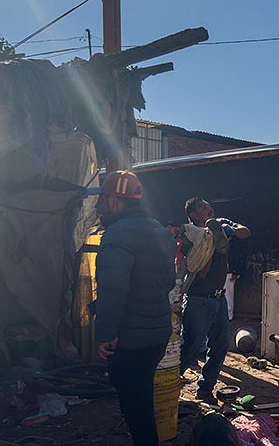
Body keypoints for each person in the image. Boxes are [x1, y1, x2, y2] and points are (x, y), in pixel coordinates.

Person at [94, 171, 176, 446]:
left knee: (135, 406)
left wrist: (105, 333)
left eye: (104, 198)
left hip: (131, 339)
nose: (101, 204)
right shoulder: (160, 231)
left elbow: (112, 290)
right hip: (158, 333)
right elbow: (168, 281)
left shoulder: (117, 235)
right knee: (142, 397)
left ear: (115, 200)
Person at [179, 197, 251, 404]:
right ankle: (167, 382)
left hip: (219, 298)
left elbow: (246, 232)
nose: (209, 208)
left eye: (209, 205)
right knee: (191, 347)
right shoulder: (190, 235)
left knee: (220, 346)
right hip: (198, 299)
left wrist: (229, 230)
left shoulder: (221, 223)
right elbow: (201, 271)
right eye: (203, 208)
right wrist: (212, 239)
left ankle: (204, 389)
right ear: (193, 215)